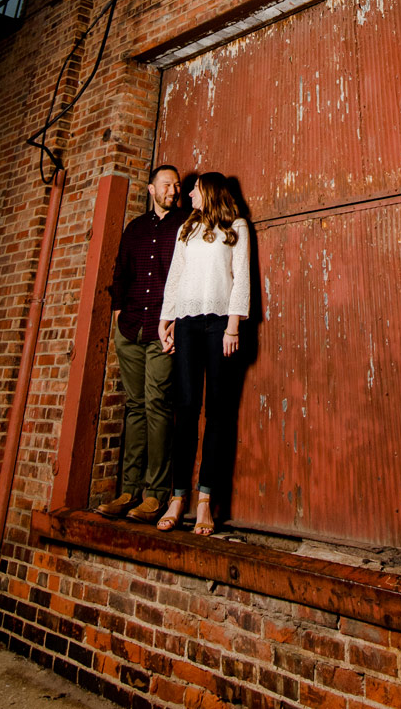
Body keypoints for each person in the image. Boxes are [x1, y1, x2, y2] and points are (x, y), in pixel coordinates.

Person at [156, 172, 250, 536]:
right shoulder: (186, 229)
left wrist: (233, 325)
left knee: (218, 413)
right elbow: (175, 277)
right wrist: (167, 321)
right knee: (185, 408)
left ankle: (205, 501)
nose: (189, 193)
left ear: (209, 192)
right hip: (187, 323)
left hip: (219, 326)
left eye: (194, 189)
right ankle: (177, 499)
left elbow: (241, 277)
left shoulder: (236, 226)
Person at [97, 164, 186, 522]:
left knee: (157, 404)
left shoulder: (186, 225)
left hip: (162, 330)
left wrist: (179, 321)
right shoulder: (134, 228)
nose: (174, 189)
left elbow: (189, 277)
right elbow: (121, 271)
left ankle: (155, 494)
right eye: (167, 184)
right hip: (131, 328)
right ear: (152, 189)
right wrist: (118, 311)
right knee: (134, 407)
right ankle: (129, 490)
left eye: (177, 185)